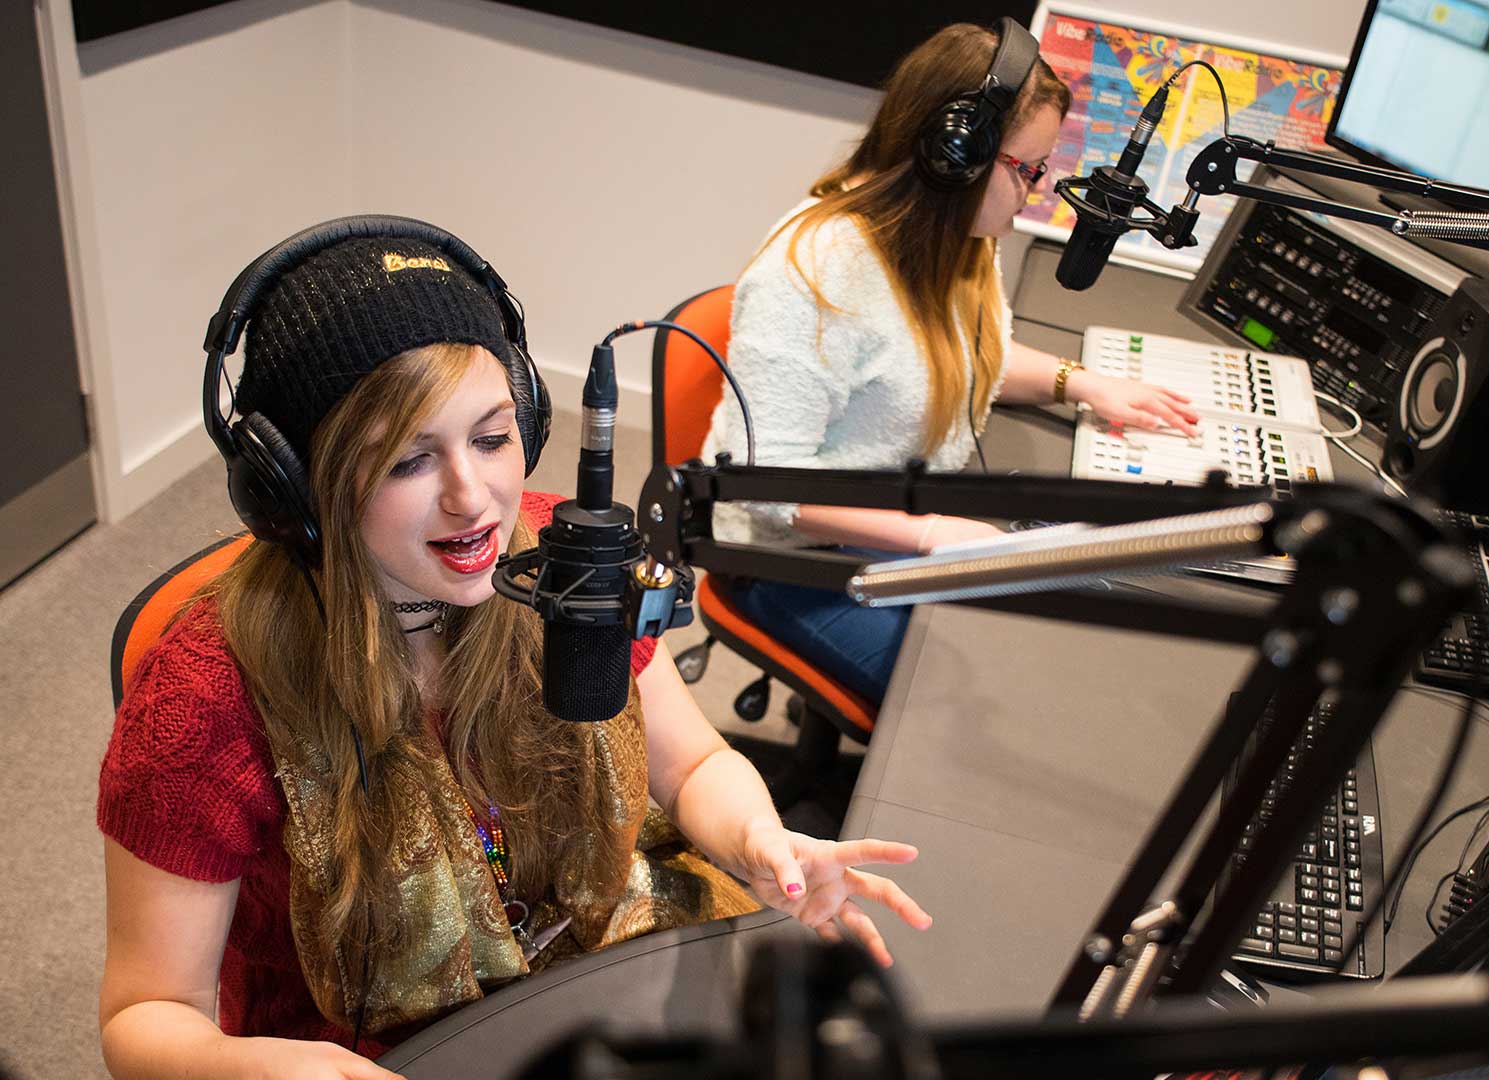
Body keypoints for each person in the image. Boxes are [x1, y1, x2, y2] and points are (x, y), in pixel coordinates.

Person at [96, 225, 930, 1078]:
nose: (474, 500)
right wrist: (262, 1070)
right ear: (296, 486)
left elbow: (692, 766)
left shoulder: (559, 563)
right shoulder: (206, 700)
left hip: (610, 962)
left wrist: (759, 838)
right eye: (409, 461)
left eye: (492, 440)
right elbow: (147, 1015)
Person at [703, 21, 1201, 706]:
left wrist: (1079, 382)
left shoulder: (957, 237)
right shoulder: (811, 275)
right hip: (792, 560)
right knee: (995, 695)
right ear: (953, 156)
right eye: (1027, 169)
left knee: (1094, 619)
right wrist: (935, 534)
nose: (1037, 190)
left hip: (904, 521)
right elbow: (766, 485)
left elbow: (965, 361)